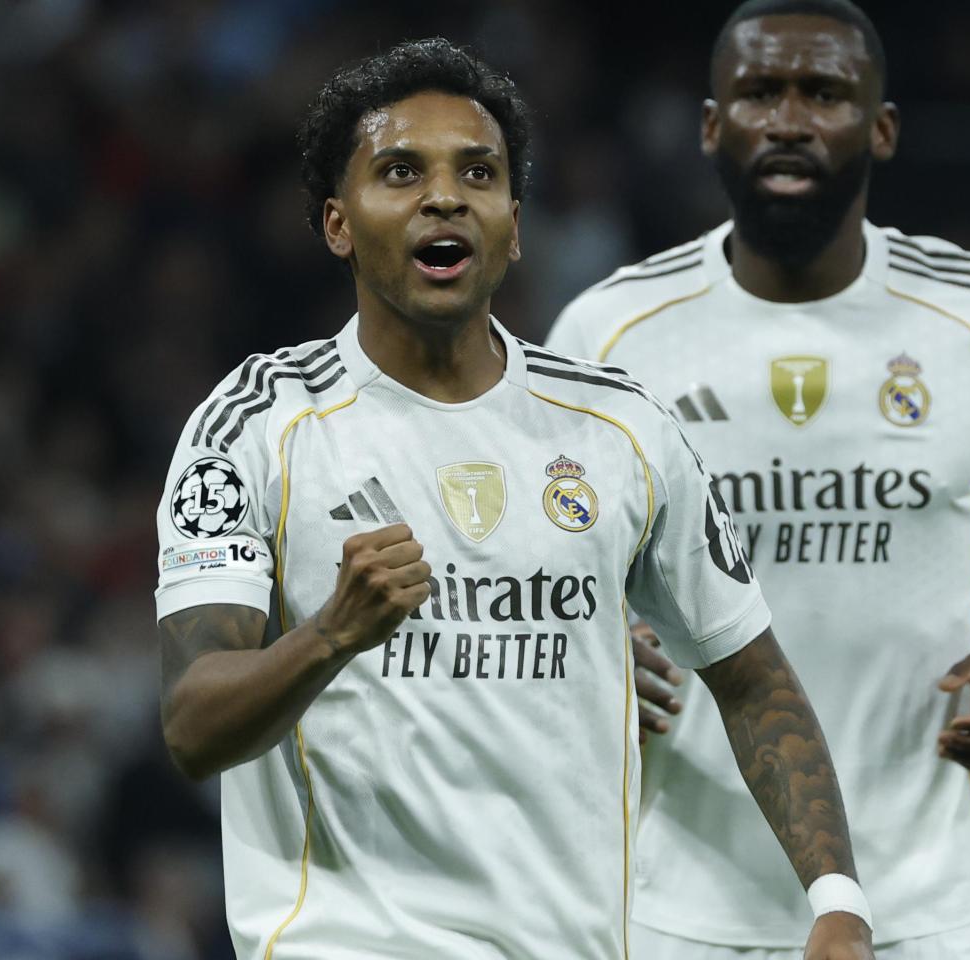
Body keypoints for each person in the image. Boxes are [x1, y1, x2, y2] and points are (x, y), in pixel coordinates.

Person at [152, 38, 875, 960]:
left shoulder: (622, 431)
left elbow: (751, 676)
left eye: (478, 173)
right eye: (401, 171)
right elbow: (193, 726)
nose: (444, 196)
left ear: (514, 221)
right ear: (338, 224)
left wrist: (838, 902)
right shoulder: (255, 428)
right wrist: (329, 633)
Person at [547, 2, 970, 958]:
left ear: (882, 128)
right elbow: (537, 563)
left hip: (933, 895)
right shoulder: (605, 337)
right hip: (682, 899)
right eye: (759, 92)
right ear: (711, 125)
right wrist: (598, 630)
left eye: (822, 93)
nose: (788, 118)